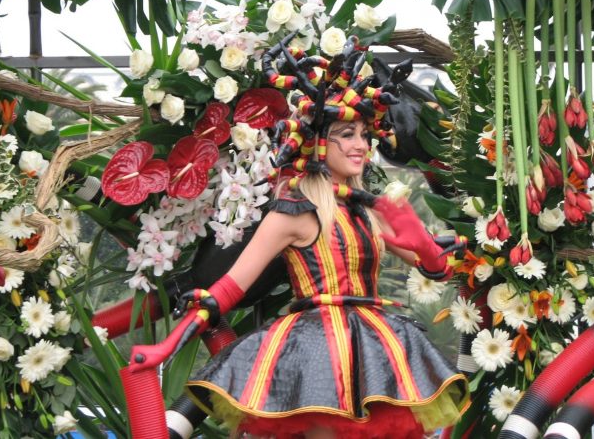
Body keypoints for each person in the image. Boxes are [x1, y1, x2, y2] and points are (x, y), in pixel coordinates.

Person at [165, 35, 470, 439]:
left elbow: (438, 268)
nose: (361, 145)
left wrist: (425, 247)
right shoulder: (293, 210)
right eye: (348, 133)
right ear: (319, 142)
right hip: (315, 352)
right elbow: (228, 289)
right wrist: (165, 348)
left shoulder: (367, 209)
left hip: (373, 350)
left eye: (364, 134)